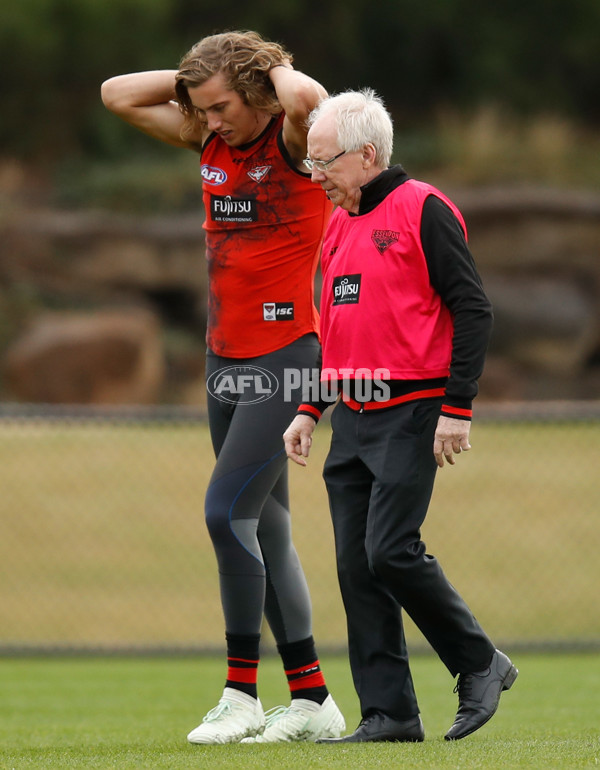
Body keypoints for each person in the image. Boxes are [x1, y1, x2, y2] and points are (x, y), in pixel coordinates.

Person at [101, 30, 345, 744]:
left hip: (290, 354)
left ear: (259, 93)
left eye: (220, 106)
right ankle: (314, 702)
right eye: (198, 108)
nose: (209, 119)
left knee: (224, 514)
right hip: (225, 361)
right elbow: (117, 93)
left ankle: (240, 692)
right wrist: (197, 82)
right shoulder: (206, 137)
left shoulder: (298, 140)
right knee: (265, 526)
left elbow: (314, 98)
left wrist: (270, 73)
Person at [283, 89, 518, 743]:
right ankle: (389, 715)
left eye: (322, 162)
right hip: (351, 417)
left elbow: (473, 310)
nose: (315, 175)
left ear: (365, 156)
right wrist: (309, 408)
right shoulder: (336, 225)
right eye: (310, 164)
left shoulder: (425, 210)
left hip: (414, 409)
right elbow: (334, 328)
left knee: (390, 550)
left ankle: (480, 663)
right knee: (357, 567)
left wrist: (458, 408)